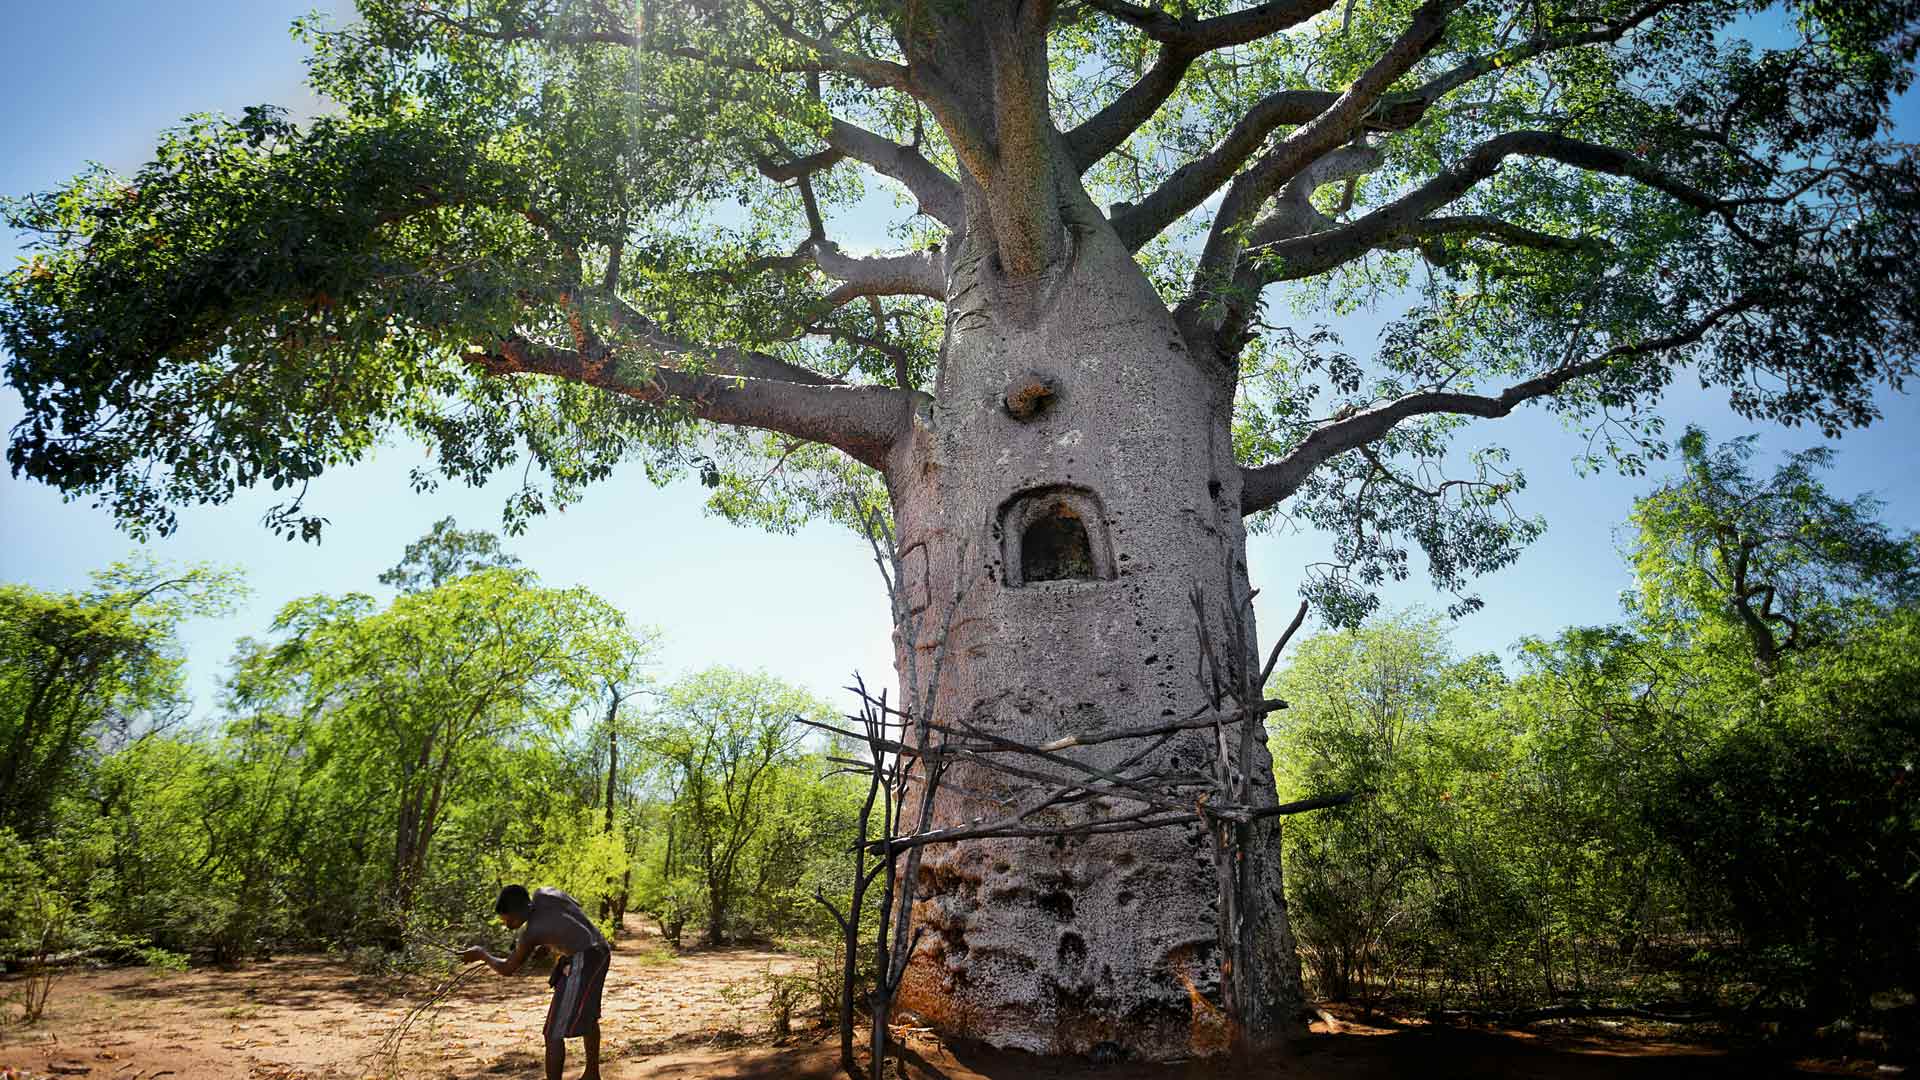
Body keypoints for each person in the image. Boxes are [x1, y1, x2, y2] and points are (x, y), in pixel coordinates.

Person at [463, 884, 611, 1080]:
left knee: (553, 1032)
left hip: (584, 959)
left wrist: (482, 955)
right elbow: (572, 910)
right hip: (601, 949)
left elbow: (508, 968)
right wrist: (552, 942)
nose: (508, 926)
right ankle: (592, 1074)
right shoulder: (546, 893)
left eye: (510, 920)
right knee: (589, 1015)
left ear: (519, 910)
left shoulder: (532, 933)